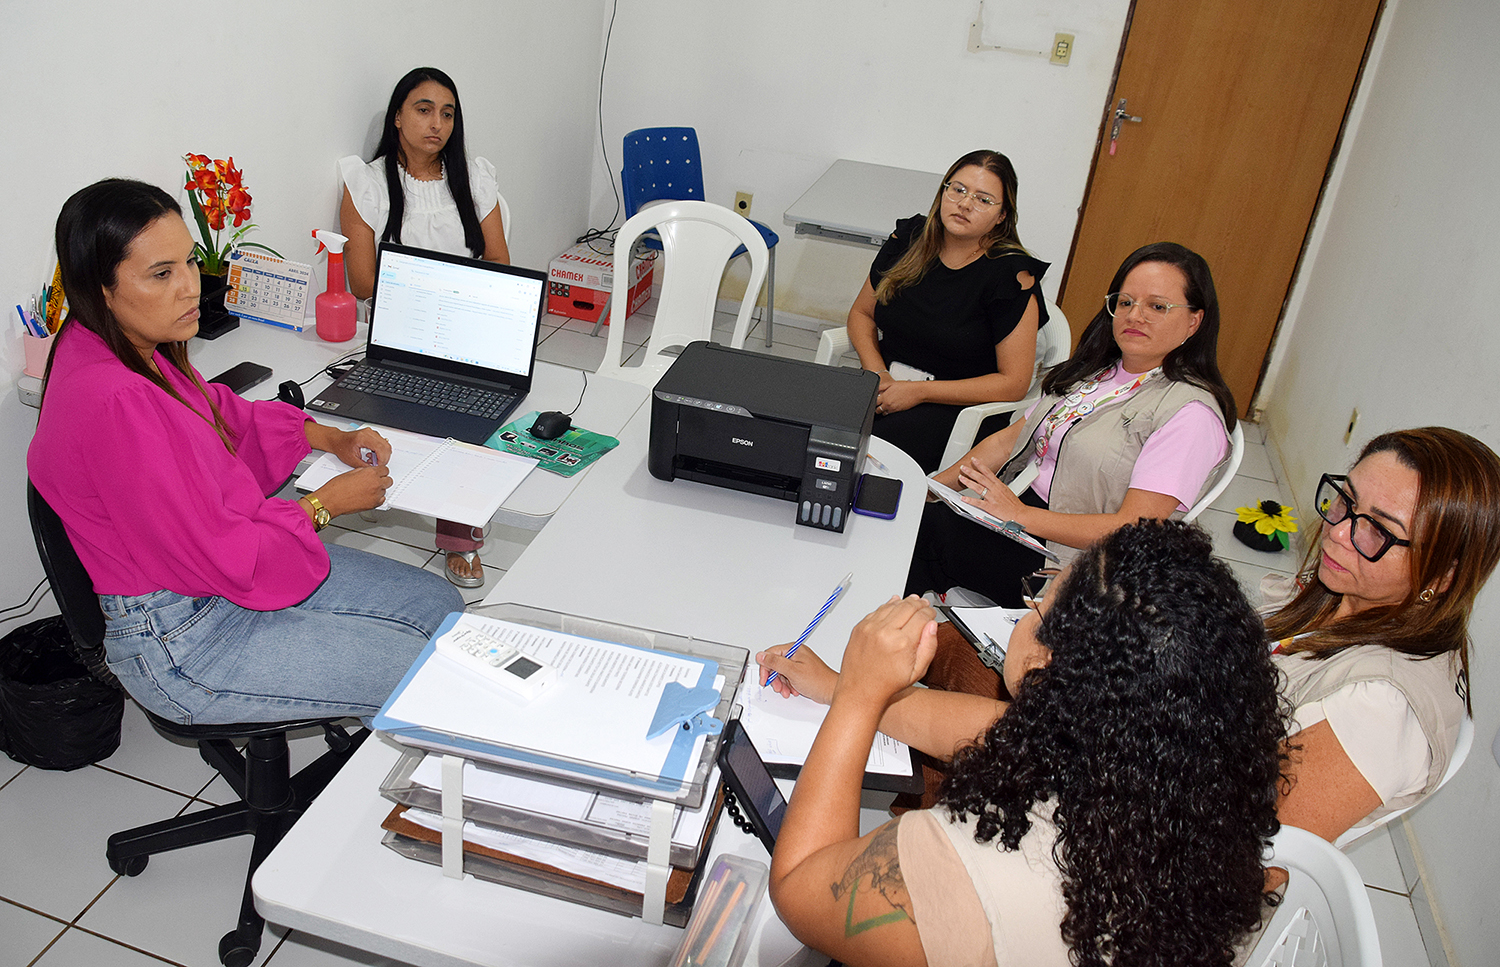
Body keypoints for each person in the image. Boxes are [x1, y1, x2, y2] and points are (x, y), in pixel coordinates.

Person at [28, 178, 464, 725]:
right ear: (101, 288)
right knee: (436, 680)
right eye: (162, 275)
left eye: (188, 262)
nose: (190, 287)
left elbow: (217, 413)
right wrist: (323, 505)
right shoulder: (115, 400)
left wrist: (329, 437)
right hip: (183, 639)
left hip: (212, 582)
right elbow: (221, 551)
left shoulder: (117, 343)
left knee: (440, 609)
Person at [763, 521, 1287, 967]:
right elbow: (992, 726)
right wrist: (839, 687)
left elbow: (797, 888)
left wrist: (858, 696)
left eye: (1040, 602)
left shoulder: (976, 862)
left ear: (1054, 665)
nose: (1028, 606)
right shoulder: (1177, 782)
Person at [907, 241, 1237, 607]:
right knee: (913, 516)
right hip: (1021, 518)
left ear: (1194, 320)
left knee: (918, 534)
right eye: (1125, 302)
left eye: (1157, 306)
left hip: (1071, 563)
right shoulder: (1097, 372)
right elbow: (1007, 442)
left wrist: (1019, 515)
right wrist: (931, 488)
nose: (1134, 315)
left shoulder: (1190, 415)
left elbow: (1134, 531)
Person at [1269, 427, 1500, 844]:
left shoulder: (1381, 708)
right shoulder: (1347, 594)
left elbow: (1251, 861)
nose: (1338, 532)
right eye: (1348, 501)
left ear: (1443, 573)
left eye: (1380, 530)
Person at [340, 66, 509, 587]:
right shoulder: (365, 183)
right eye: (423, 109)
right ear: (396, 116)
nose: (436, 123)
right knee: (392, 396)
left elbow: (500, 262)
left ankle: (459, 533)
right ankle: (371, 480)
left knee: (471, 417)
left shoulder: (474, 179)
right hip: (395, 331)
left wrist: (451, 303)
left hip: (466, 332)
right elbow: (363, 283)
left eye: (447, 113)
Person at [847, 149, 1050, 473]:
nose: (966, 203)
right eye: (958, 189)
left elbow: (1014, 382)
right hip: (885, 387)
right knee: (812, 428)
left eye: (984, 199)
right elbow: (861, 314)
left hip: (955, 409)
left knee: (864, 457)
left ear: (1002, 216)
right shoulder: (909, 240)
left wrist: (919, 392)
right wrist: (877, 374)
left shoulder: (1010, 275)